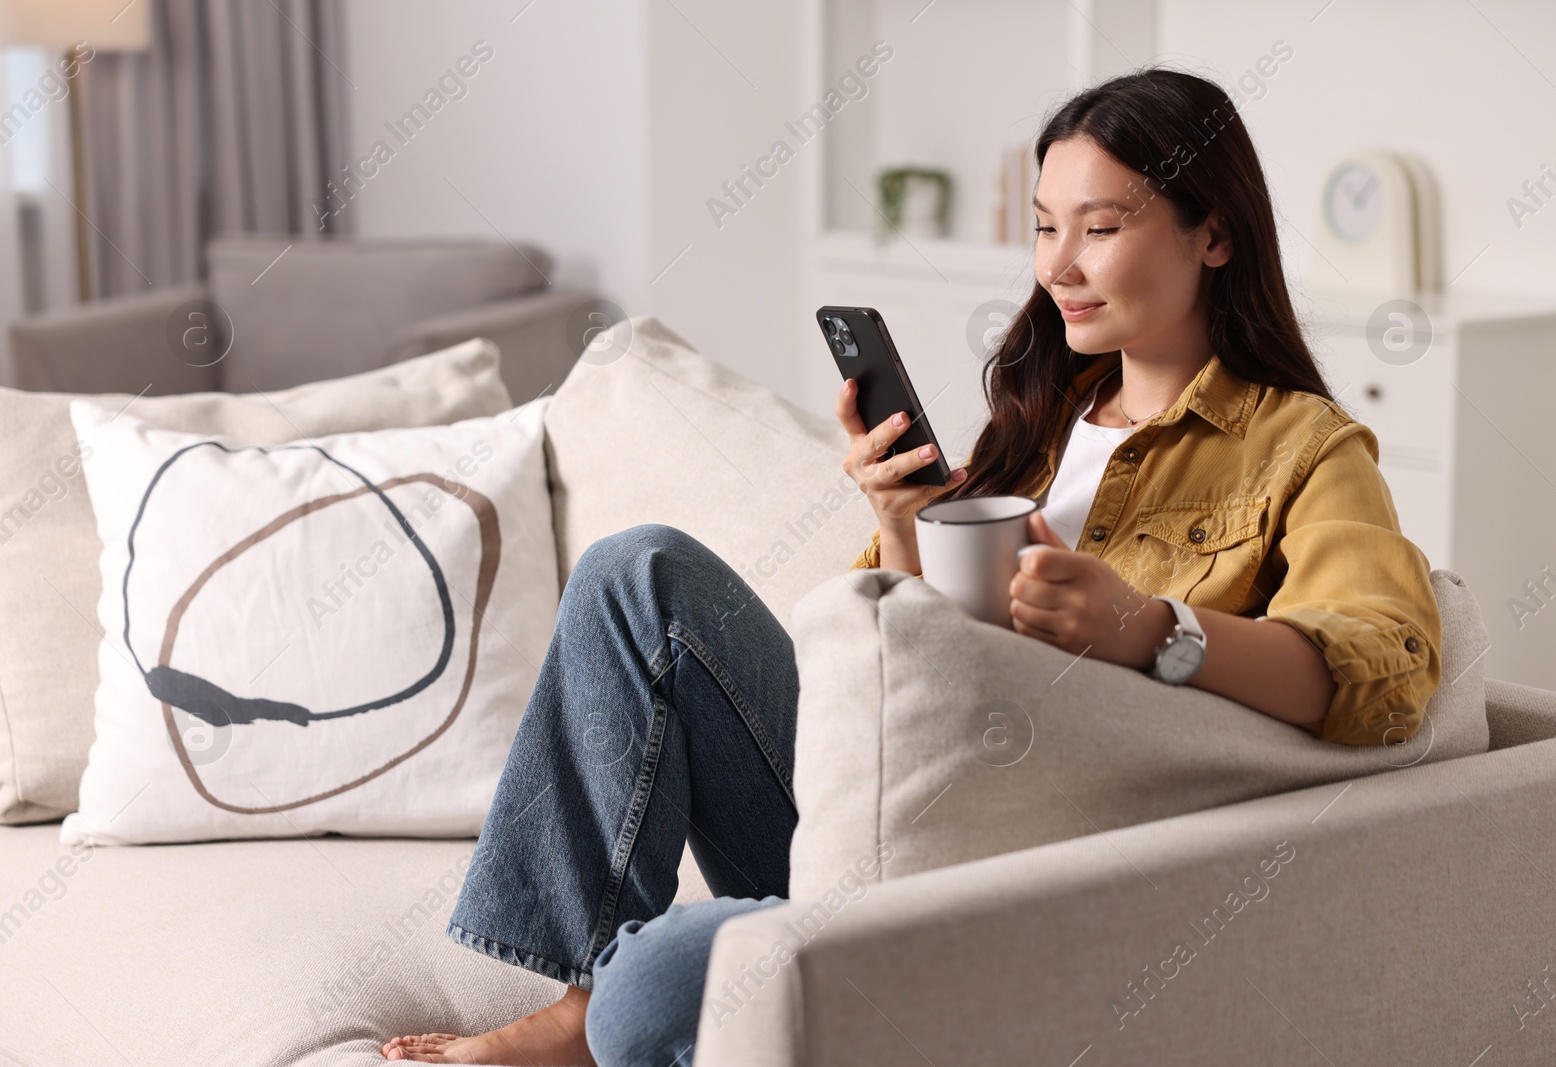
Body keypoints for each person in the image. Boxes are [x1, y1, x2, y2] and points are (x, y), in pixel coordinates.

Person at [380, 67, 1441, 1065]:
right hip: (883, 801)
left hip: (1008, 862)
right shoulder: (1037, 422)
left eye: (1100, 228)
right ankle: (575, 995)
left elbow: (1380, 671)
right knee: (636, 571)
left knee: (655, 988)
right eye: (1042, 228)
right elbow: (901, 659)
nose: (1057, 265)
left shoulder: (1304, 446)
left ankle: (630, 991)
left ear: (1213, 235)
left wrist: (1147, 626)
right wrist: (898, 526)